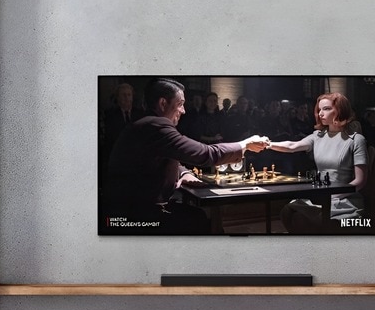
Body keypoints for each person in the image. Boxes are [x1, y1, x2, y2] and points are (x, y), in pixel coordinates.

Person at [104, 78, 268, 234]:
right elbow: (206, 153)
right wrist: (245, 144)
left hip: (127, 208)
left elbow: (165, 157)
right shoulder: (156, 126)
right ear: (163, 103)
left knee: (197, 216)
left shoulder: (144, 122)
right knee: (198, 219)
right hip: (134, 214)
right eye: (180, 104)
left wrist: (184, 173)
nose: (183, 110)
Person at [264, 93, 369, 233]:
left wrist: (331, 195)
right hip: (321, 197)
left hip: (345, 201)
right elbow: (292, 146)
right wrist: (267, 144)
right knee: (287, 211)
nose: (320, 113)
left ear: (340, 110)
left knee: (321, 221)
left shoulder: (356, 140)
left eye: (326, 109)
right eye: (319, 110)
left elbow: (360, 181)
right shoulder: (318, 136)